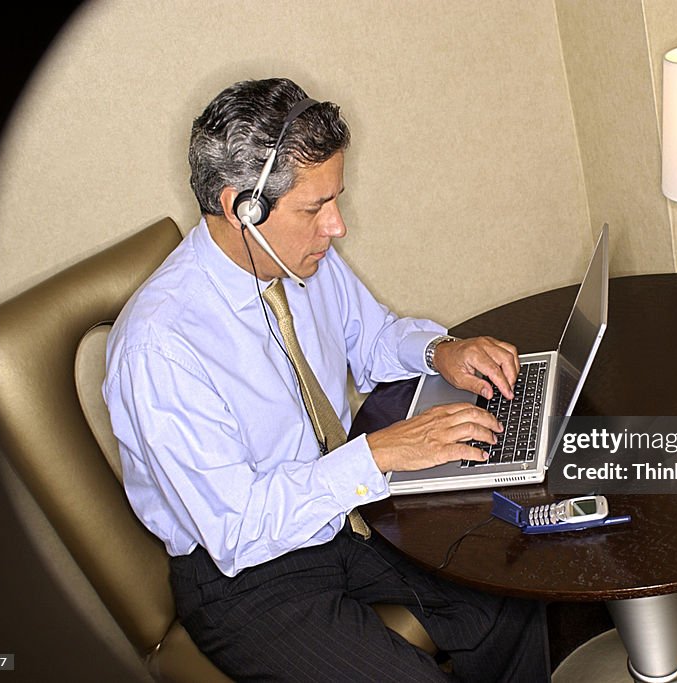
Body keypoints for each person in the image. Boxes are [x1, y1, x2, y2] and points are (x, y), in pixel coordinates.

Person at [103, 77, 549, 681]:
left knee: (511, 591)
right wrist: (380, 453)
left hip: (346, 515)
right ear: (244, 210)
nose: (337, 226)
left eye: (334, 199)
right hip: (245, 574)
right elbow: (238, 530)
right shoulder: (159, 347)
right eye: (315, 209)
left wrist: (441, 349)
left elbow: (371, 339)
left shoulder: (299, 257)